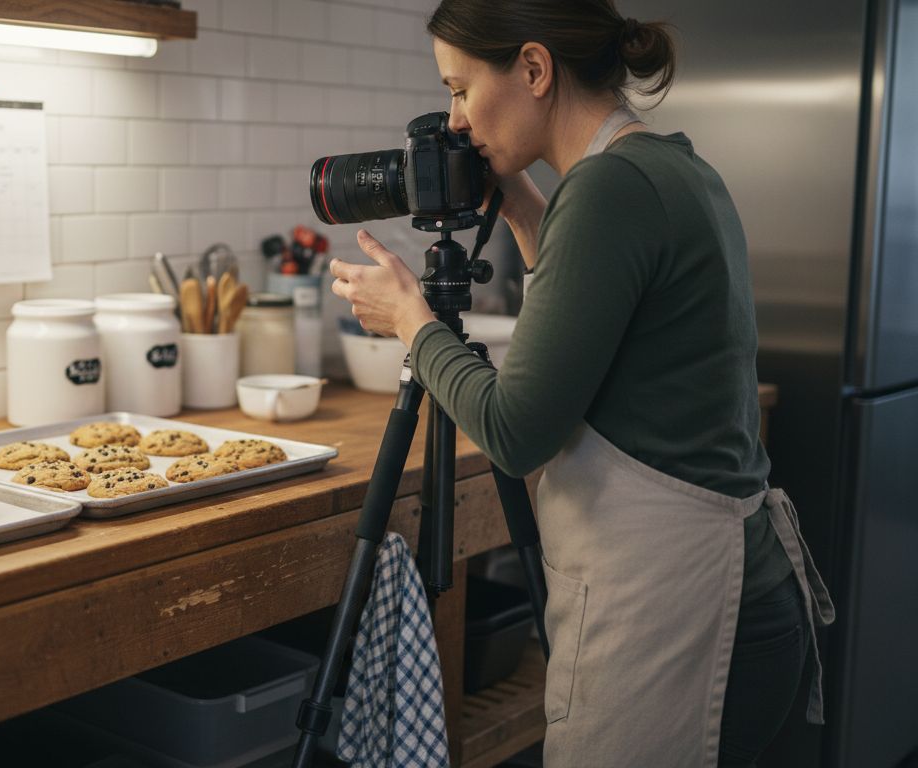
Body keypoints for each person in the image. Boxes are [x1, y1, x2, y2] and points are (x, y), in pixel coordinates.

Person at [326, 1, 835, 766]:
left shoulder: (606, 193)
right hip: (732, 592)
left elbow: (514, 429)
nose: (455, 121)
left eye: (461, 88)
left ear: (534, 69)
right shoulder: (670, 166)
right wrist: (532, 216)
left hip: (681, 617)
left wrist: (411, 323)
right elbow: (614, 343)